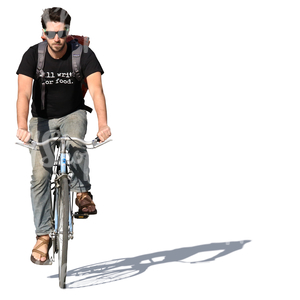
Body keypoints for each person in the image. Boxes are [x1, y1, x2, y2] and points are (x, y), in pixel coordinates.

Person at [16, 7, 111, 265]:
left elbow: (96, 90)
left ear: (68, 32)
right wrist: (22, 126)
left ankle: (82, 193)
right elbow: (24, 93)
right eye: (51, 33)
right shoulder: (32, 55)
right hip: (41, 120)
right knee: (40, 173)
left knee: (75, 140)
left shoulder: (83, 54)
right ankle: (43, 236)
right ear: (44, 33)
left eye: (61, 33)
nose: (57, 38)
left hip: (73, 113)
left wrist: (103, 124)